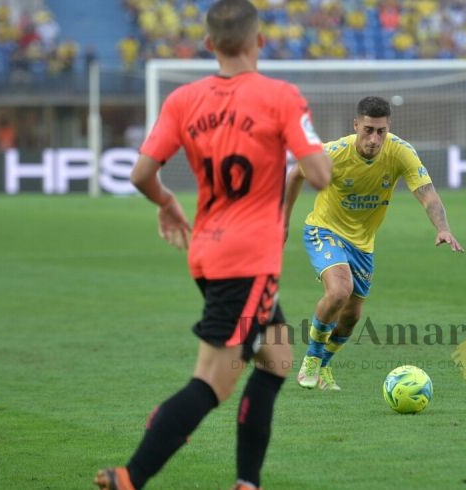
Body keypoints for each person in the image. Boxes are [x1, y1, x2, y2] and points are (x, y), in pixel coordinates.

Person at [93, 2, 332, 490]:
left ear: (208, 45)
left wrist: (165, 203)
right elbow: (320, 174)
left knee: (277, 355)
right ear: (258, 41)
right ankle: (131, 475)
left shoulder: (183, 100)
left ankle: (247, 481)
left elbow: (141, 174)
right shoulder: (280, 97)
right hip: (249, 261)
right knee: (212, 381)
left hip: (206, 252)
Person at [283, 96, 464, 392]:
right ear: (356, 126)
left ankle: (325, 365)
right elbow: (295, 174)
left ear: (388, 128)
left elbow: (428, 194)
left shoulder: (400, 152)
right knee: (340, 290)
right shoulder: (334, 153)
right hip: (324, 229)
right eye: (368, 130)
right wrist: (282, 222)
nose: (374, 138)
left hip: (363, 244)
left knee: (351, 317)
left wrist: (443, 228)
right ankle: (312, 359)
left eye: (380, 131)